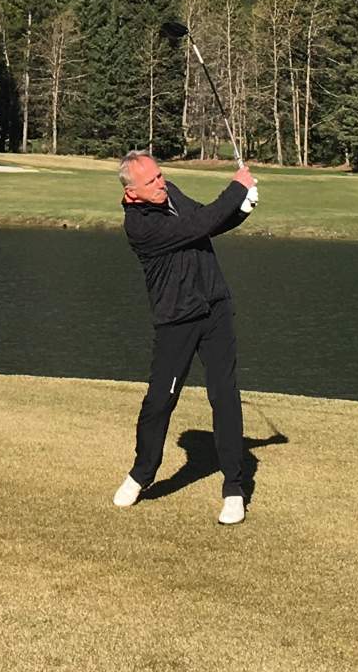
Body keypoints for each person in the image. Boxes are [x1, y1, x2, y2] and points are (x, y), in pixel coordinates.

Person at [113, 150, 259, 525]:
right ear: (132, 193)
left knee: (224, 394)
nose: (161, 184)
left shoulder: (170, 192)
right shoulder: (139, 227)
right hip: (176, 319)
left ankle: (233, 489)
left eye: (160, 176)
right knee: (161, 400)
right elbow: (195, 228)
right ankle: (142, 473)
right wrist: (236, 187)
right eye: (152, 182)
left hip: (215, 308)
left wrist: (241, 209)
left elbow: (205, 222)